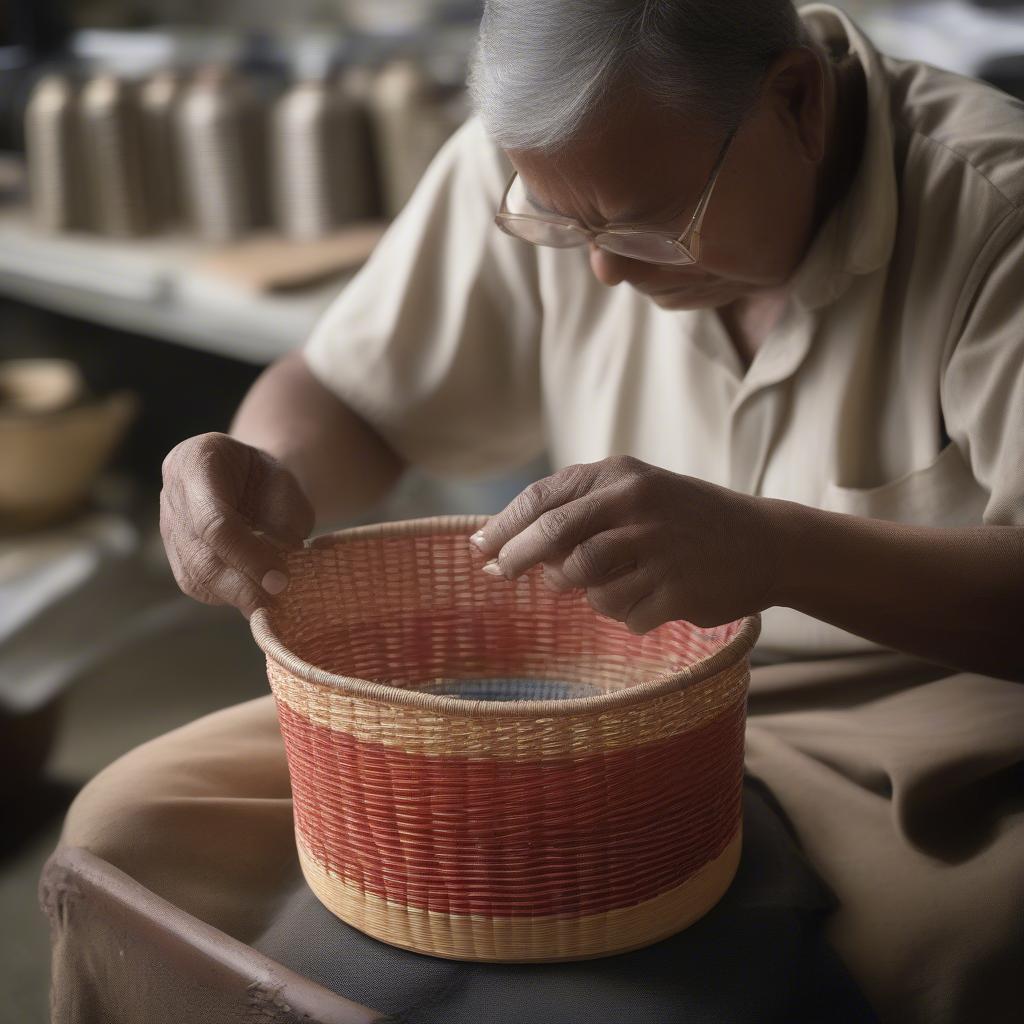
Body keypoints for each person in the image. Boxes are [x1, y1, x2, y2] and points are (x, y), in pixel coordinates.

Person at [53, 3, 1023, 1022]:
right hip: (596, 692)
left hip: (912, 742)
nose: (600, 267)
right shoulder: (556, 160)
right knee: (124, 831)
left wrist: (776, 549)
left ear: (795, 98)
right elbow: (348, 395)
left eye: (650, 217)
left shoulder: (993, 214)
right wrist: (263, 471)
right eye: (563, 227)